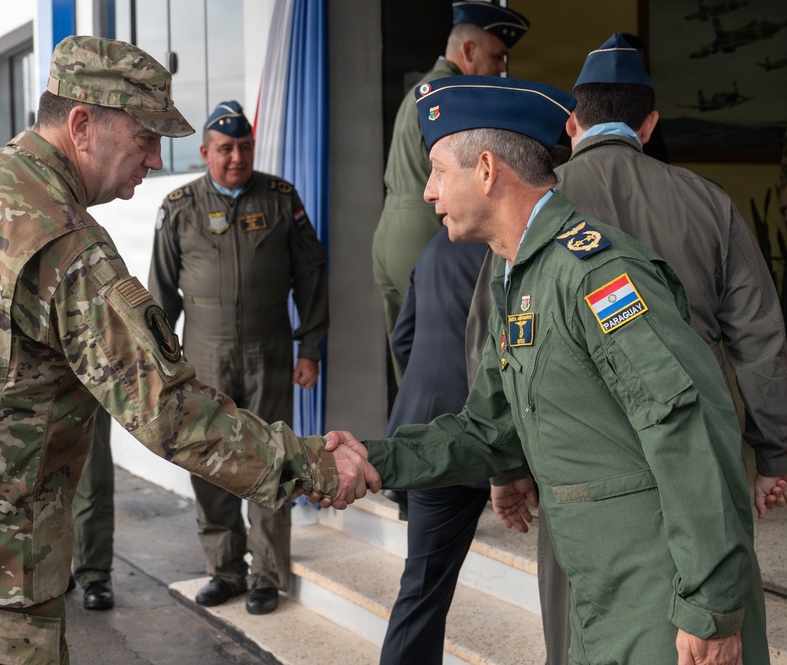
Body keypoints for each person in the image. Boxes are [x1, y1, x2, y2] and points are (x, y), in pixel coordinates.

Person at [0, 36, 375, 664]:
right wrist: (313, 465)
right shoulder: (63, 241)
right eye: (146, 137)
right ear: (81, 125)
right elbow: (167, 411)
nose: (156, 158)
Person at [322, 74, 769, 664]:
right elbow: (486, 431)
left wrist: (711, 610)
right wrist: (372, 460)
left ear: (485, 170)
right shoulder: (519, 278)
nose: (427, 192)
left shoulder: (596, 274)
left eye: (437, 171)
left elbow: (691, 434)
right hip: (596, 596)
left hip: (664, 602)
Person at [484, 33, 787, 665]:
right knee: (713, 624)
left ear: (572, 124)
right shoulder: (710, 202)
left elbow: (496, 348)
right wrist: (772, 452)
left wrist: (507, 467)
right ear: (648, 124)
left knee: (581, 632)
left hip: (579, 466)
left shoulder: (536, 208)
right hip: (697, 461)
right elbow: (762, 342)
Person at [148, 100, 329, 616]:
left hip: (269, 354)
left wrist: (309, 348)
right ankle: (225, 570)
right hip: (203, 359)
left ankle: (267, 573)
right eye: (225, 149)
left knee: (272, 460)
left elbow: (311, 276)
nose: (236, 157)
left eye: (244, 147)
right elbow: (160, 296)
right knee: (208, 461)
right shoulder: (179, 206)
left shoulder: (280, 198)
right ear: (205, 152)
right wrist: (164, 368)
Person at [372, 0, 529, 382]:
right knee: (451, 363)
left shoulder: (423, 88)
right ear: (469, 51)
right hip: (427, 227)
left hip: (390, 231)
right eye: (497, 56)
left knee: (410, 361)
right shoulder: (453, 95)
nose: (501, 68)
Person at [377, 230, 488, 665]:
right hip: (473, 435)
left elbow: (403, 338)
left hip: (422, 428)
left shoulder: (436, 243)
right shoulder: (506, 248)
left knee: (423, 586)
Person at [70, 407, 116, 610]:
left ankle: (94, 573)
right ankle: (49, 568)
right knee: (31, 473)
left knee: (92, 479)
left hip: (87, 379)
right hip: (24, 382)